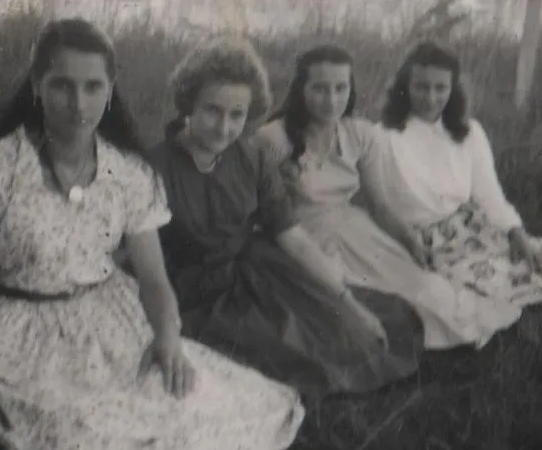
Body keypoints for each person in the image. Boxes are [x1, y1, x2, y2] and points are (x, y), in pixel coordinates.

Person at [0, 18, 305, 450]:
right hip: (29, 330)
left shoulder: (128, 174)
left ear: (110, 90)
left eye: (93, 87)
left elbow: (152, 278)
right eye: (62, 86)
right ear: (36, 86)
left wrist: (168, 336)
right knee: (73, 431)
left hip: (111, 320)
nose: (78, 103)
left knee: (195, 400)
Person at [146, 37, 424, 398]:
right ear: (188, 104)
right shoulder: (153, 168)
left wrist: (348, 303)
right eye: (212, 111)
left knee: (341, 329)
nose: (224, 128)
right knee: (276, 360)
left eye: (237, 115)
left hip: (256, 270)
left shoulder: (252, 157)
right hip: (191, 292)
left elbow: (291, 236)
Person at [254, 44, 521, 351]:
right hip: (302, 238)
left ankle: (436, 339)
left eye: (341, 88)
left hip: (354, 229)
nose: (331, 100)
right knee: (357, 303)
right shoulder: (274, 139)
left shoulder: (361, 134)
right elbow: (253, 204)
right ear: (301, 89)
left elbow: (380, 206)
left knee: (430, 289)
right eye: (320, 89)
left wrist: (408, 242)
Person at [374, 41, 542, 309]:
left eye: (440, 88)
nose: (431, 98)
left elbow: (489, 194)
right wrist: (405, 241)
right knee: (463, 294)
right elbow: (379, 206)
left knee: (536, 265)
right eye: (421, 87)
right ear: (405, 86)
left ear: (453, 89)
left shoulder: (469, 132)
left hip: (469, 230)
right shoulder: (381, 136)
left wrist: (518, 234)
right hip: (414, 241)